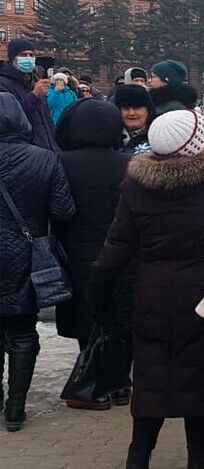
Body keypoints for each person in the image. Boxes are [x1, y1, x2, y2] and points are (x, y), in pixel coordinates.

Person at [90, 110, 204, 469]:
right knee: (200, 382)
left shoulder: (137, 185)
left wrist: (98, 295)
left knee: (151, 384)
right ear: (196, 144)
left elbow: (117, 247)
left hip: (152, 298)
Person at [54, 98, 134, 410]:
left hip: (76, 253)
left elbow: (58, 209)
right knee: (118, 318)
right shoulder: (128, 163)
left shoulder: (61, 161)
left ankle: (91, 383)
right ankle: (118, 382)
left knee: (87, 320)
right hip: (120, 252)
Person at [0, 97, 74, 432]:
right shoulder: (45, 159)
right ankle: (15, 407)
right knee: (22, 332)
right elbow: (63, 211)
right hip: (24, 258)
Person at [0, 37, 56, 151]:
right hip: (24, 152)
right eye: (23, 55)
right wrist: (34, 96)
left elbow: (46, 121)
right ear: (12, 58)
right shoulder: (3, 83)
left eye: (31, 55)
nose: (28, 58)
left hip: (46, 149)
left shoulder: (34, 80)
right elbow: (10, 119)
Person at [116, 85, 155, 155]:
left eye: (137, 108)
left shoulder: (157, 136)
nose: (131, 113)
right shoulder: (110, 137)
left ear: (148, 110)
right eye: (126, 108)